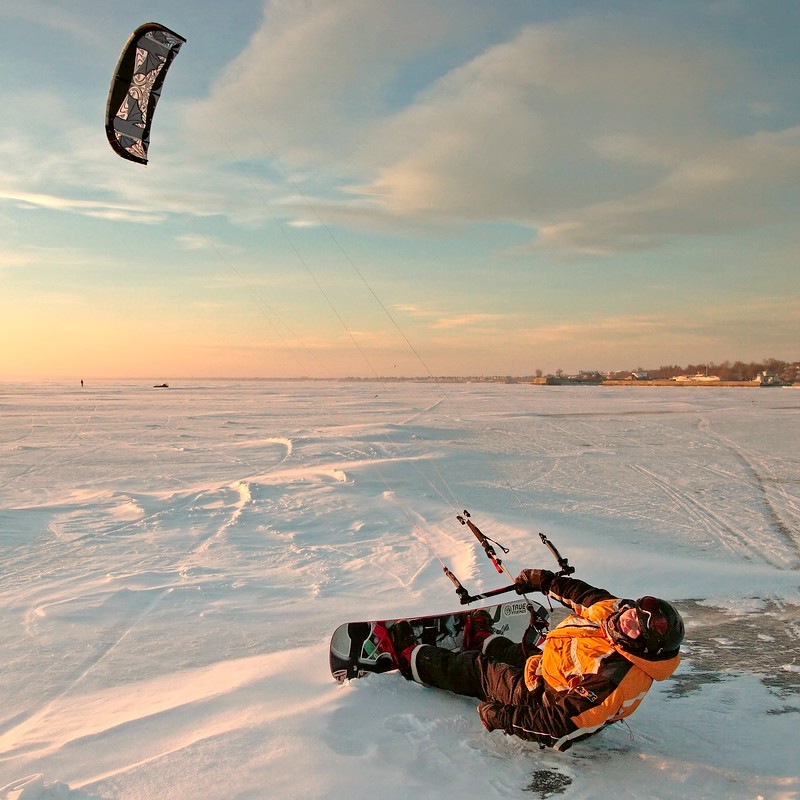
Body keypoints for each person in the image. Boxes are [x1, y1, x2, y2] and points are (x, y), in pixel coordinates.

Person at [390, 569, 684, 751]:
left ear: (643, 647)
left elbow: (558, 725)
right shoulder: (617, 612)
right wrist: (545, 580)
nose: (627, 619)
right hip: (548, 669)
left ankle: (412, 658)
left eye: (635, 626)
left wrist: (502, 717)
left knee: (479, 671)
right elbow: (581, 595)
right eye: (635, 611)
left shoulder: (615, 679)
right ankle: (485, 641)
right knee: (514, 653)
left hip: (549, 703)